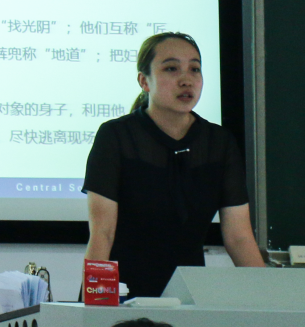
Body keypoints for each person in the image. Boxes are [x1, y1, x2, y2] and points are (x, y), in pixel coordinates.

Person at [81, 31, 265, 298]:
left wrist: (268, 301)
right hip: (121, 294)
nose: (186, 79)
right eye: (171, 68)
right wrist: (96, 305)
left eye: (194, 69)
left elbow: (239, 238)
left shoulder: (219, 143)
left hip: (187, 297)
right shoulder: (116, 136)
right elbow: (103, 234)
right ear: (144, 81)